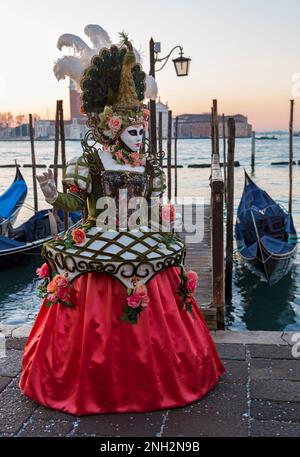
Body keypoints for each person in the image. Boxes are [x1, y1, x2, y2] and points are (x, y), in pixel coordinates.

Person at [19, 34, 224, 415]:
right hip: (98, 238)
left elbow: (149, 205)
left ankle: (160, 378)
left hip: (141, 238)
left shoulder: (146, 165)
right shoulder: (92, 164)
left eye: (142, 131)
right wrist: (50, 193)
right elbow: (73, 203)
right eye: (133, 132)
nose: (139, 137)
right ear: (113, 129)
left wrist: (155, 220)